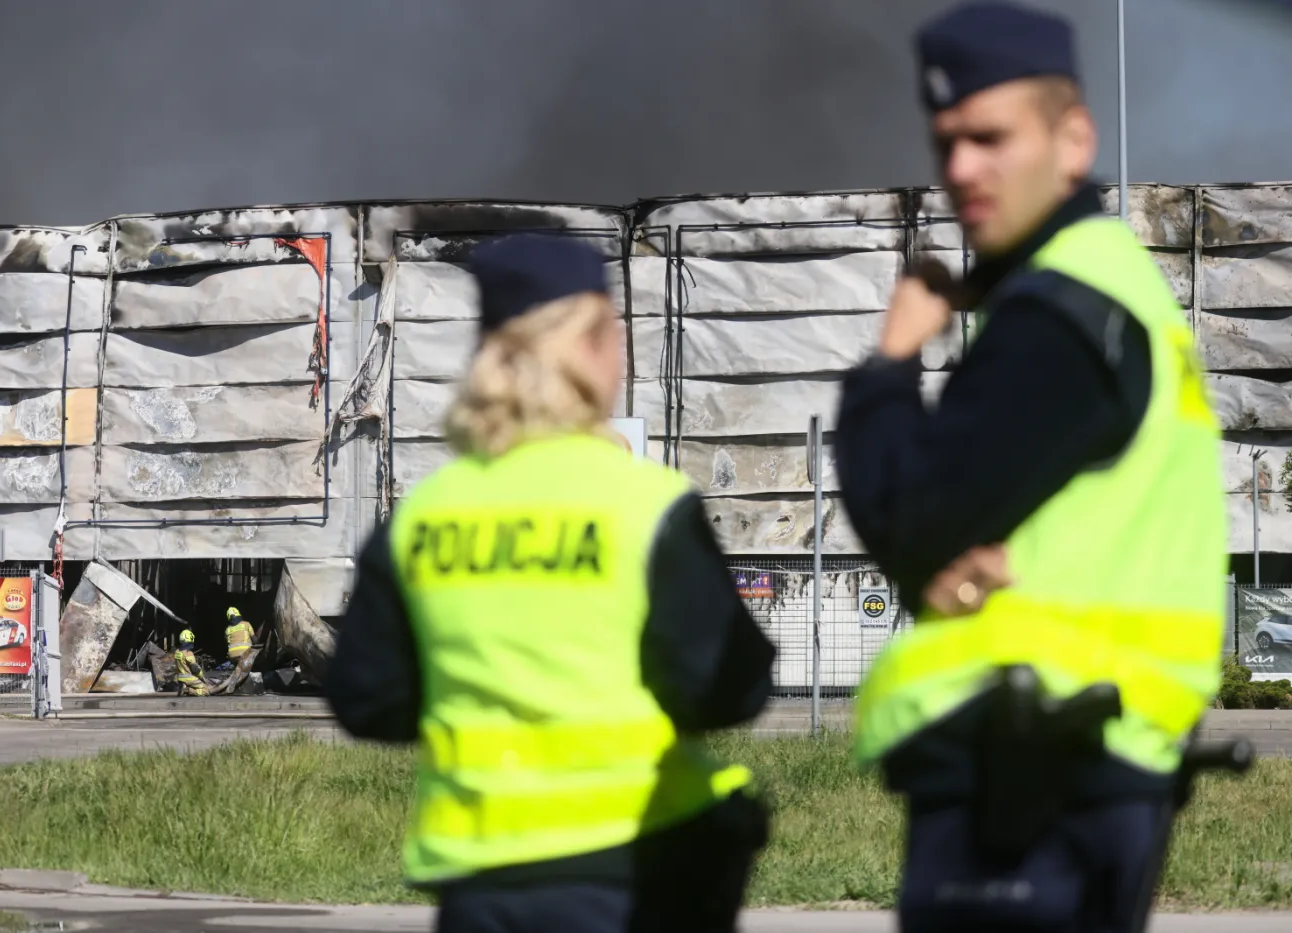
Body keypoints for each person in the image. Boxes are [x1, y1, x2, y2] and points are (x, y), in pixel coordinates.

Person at [833, 3, 1226, 931]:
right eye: (947, 143)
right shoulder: (1115, 288)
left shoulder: (1061, 318)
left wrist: (890, 366)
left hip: (1030, 770)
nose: (962, 169)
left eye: (991, 137)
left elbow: (904, 511)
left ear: (1074, 138)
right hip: (1085, 759)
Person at [325, 233, 776, 933]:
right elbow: (731, 687)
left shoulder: (423, 518)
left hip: (481, 877)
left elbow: (366, 699)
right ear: (591, 344)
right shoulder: (646, 507)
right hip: (637, 873)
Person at [174, 629, 210, 697]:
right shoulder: (188, 653)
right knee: (206, 690)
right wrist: (202, 677)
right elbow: (195, 668)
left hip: (179, 679)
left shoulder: (177, 652)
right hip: (188, 678)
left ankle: (184, 688)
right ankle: (188, 690)